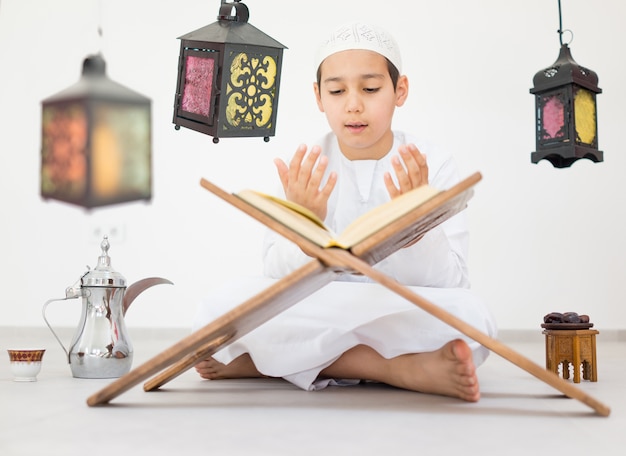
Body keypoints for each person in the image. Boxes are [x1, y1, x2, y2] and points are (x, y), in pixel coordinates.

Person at [193, 22, 496, 402]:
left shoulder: (432, 161)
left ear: (399, 90)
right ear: (319, 97)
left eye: (370, 89)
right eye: (337, 91)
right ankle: (397, 367)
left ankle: (266, 362)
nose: (353, 104)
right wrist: (303, 229)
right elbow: (275, 272)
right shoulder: (306, 163)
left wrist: (416, 228)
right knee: (220, 306)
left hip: (396, 308)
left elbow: (451, 282)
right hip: (322, 305)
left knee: (473, 316)